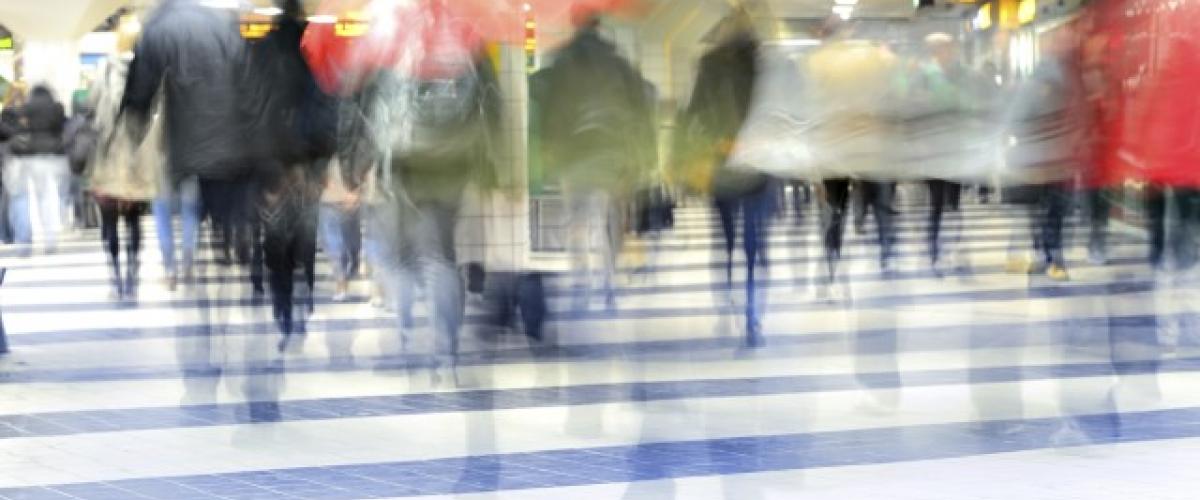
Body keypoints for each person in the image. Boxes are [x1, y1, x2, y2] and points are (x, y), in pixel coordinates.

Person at [538, 11, 657, 312]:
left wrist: (551, 150)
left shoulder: (562, 61)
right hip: (611, 155)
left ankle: (581, 282)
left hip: (575, 154)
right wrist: (644, 157)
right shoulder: (617, 62)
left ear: (574, 25)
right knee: (607, 220)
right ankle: (608, 283)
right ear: (598, 26)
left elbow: (551, 111)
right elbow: (639, 111)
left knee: (576, 220)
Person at [241, 0, 337, 346]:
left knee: (275, 243)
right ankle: (305, 297)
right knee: (305, 239)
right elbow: (328, 109)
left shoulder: (258, 54)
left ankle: (283, 311)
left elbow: (249, 113)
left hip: (273, 168)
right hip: (307, 166)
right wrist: (323, 162)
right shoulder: (312, 52)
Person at [676, 7, 771, 346]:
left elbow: (692, 113)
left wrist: (680, 159)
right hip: (759, 159)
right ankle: (752, 311)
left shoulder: (710, 63)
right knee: (755, 238)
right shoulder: (767, 64)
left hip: (722, 156)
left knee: (727, 236)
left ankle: (728, 290)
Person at [805, 17, 900, 283]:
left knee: (835, 207)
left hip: (832, 146)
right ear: (845, 33)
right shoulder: (869, 57)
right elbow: (889, 88)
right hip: (867, 144)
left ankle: (832, 255)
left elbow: (811, 108)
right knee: (880, 202)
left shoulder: (816, 62)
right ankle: (886, 254)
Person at [1003, 27, 1087, 281]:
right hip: (1045, 159)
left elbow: (1014, 121)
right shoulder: (1042, 84)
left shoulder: (1069, 81)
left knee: (1051, 211)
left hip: (1052, 159)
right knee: (1051, 211)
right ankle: (1051, 258)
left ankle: (1049, 256)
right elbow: (1015, 120)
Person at [86, 43, 163, 300]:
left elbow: (91, 107)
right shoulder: (149, 72)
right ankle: (133, 275)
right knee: (133, 220)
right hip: (137, 157)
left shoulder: (104, 70)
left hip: (108, 158)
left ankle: (116, 278)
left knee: (109, 221)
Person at [6, 85, 69, 254]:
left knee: (23, 195)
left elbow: (18, 127)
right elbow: (62, 128)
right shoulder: (57, 108)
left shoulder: (27, 108)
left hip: (29, 155)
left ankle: (24, 239)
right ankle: (50, 237)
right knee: (46, 197)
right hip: (52, 155)